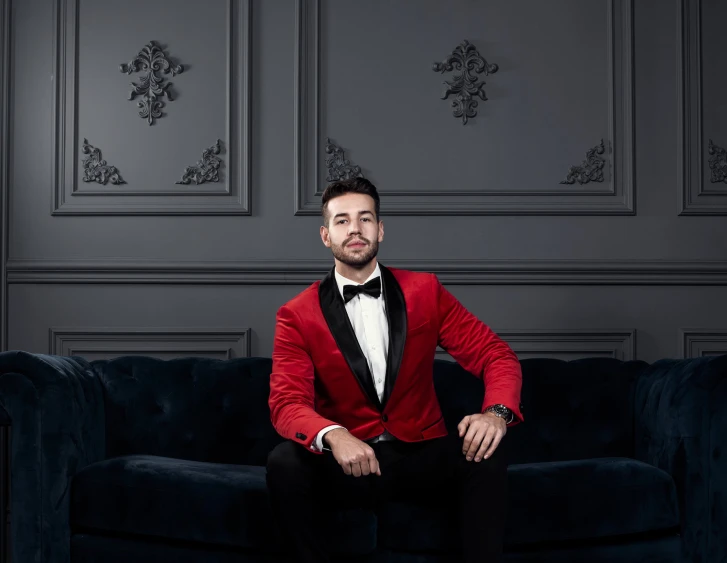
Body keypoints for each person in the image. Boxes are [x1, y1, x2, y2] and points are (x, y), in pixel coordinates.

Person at [266, 177, 523, 562]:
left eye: (365, 218)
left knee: (487, 452)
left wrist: (496, 414)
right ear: (325, 235)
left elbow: (495, 355)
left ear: (380, 229)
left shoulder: (425, 291)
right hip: (347, 465)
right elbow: (287, 403)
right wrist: (334, 435)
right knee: (283, 463)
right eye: (342, 221)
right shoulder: (296, 314)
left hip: (419, 456)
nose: (354, 228)